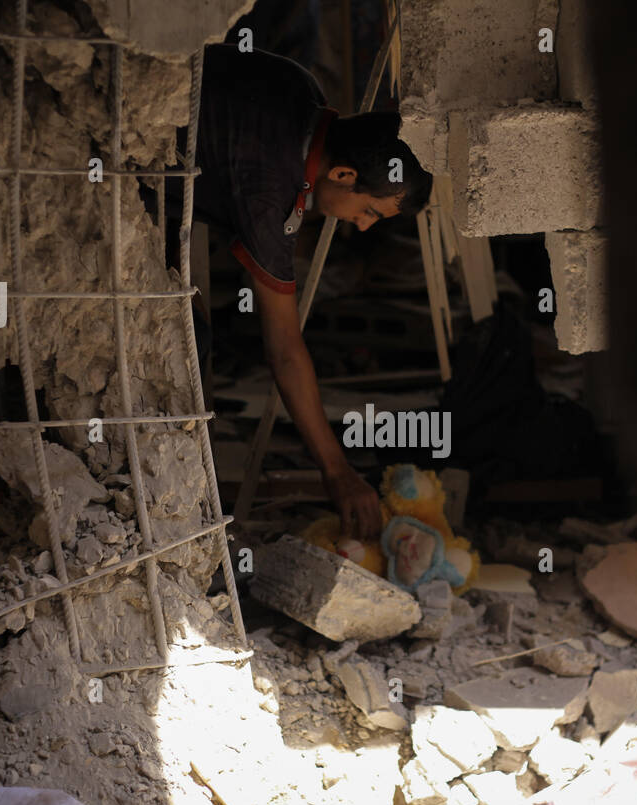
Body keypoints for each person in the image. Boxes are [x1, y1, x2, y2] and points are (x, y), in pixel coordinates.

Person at [145, 43, 432, 539]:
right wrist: (337, 473)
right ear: (343, 175)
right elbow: (284, 351)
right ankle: (150, 518)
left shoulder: (300, 87)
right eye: (370, 212)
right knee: (182, 347)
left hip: (149, 124)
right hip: (105, 174)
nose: (362, 227)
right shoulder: (269, 192)